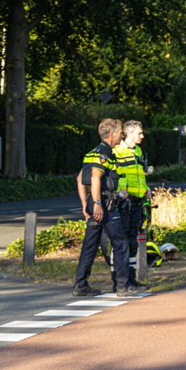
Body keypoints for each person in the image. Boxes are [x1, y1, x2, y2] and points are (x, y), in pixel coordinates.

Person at [72, 119, 145, 298]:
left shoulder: (92, 152)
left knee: (90, 244)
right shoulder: (106, 153)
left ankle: (81, 284)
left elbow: (80, 179)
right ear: (111, 134)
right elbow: (95, 177)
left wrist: (85, 203)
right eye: (120, 133)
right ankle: (122, 286)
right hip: (105, 204)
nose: (121, 136)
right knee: (120, 242)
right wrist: (98, 203)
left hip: (94, 202)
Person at [114, 120, 150, 291]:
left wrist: (146, 189)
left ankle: (131, 278)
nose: (142, 136)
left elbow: (139, 175)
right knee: (121, 242)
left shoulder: (138, 151)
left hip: (137, 201)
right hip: (123, 203)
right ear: (129, 134)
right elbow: (112, 176)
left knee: (133, 241)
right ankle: (118, 280)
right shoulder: (116, 151)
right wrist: (119, 192)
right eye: (139, 133)